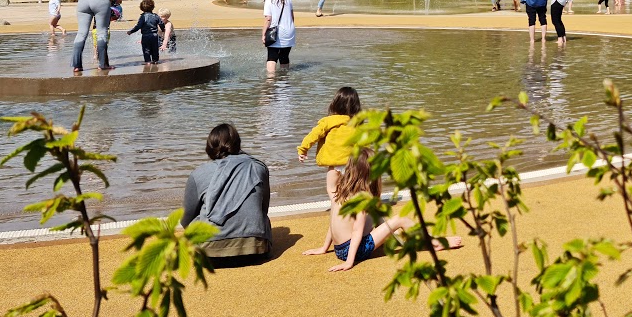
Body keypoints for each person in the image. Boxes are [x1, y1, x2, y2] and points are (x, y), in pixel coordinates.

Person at [303, 150, 460, 272]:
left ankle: (405, 236)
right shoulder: (362, 198)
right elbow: (357, 230)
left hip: (339, 249)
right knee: (401, 219)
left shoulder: (340, 190)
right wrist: (349, 262)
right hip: (354, 251)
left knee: (377, 215)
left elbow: (333, 223)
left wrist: (324, 248)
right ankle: (434, 242)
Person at [182, 123, 272, 263]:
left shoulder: (198, 173)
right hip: (255, 250)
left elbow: (186, 219)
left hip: (209, 254)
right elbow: (263, 208)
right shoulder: (258, 167)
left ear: (209, 146)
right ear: (238, 144)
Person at [299, 86, 362, 198]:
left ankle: (337, 212)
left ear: (335, 104)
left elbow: (313, 136)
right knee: (352, 192)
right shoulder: (358, 124)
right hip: (353, 165)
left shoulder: (328, 121)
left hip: (334, 165)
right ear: (356, 106)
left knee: (333, 190)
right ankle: (352, 212)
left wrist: (303, 150)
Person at [261, 0, 296, 75]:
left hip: (277, 33)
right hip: (290, 31)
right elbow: (292, 17)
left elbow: (268, 19)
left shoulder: (269, 1)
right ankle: (284, 79)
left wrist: (263, 34)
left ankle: (270, 80)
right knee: (284, 56)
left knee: (272, 56)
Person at [125, 0, 163, 66]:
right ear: (153, 7)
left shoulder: (143, 17)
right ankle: (155, 60)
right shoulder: (156, 16)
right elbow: (161, 24)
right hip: (154, 35)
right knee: (155, 49)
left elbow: (138, 26)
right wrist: (163, 30)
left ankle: (148, 61)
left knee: (146, 49)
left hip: (145, 36)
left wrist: (131, 31)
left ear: (141, 8)